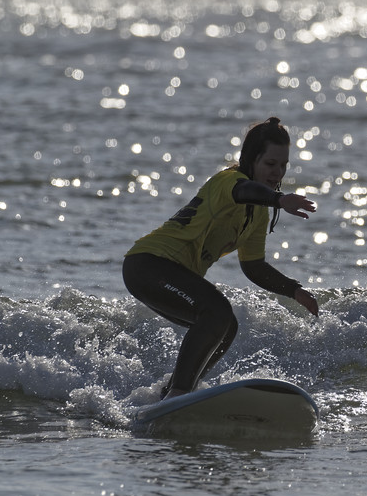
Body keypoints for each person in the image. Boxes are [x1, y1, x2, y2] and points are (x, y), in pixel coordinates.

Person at [122, 117, 319, 400]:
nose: (278, 172)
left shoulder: (258, 213)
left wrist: (294, 290)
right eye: (270, 164)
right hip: (149, 264)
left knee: (226, 327)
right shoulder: (228, 182)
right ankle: (179, 393)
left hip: (165, 272)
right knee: (216, 312)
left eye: (283, 165)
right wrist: (279, 200)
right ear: (251, 160)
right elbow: (244, 191)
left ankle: (173, 394)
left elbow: (253, 266)